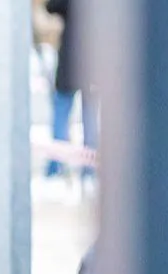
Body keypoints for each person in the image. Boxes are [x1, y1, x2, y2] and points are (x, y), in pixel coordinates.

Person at [45, 0, 96, 179]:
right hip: (92, 60)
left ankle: (56, 166)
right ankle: (89, 170)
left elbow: (52, 6)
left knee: (62, 113)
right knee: (89, 118)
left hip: (69, 61)